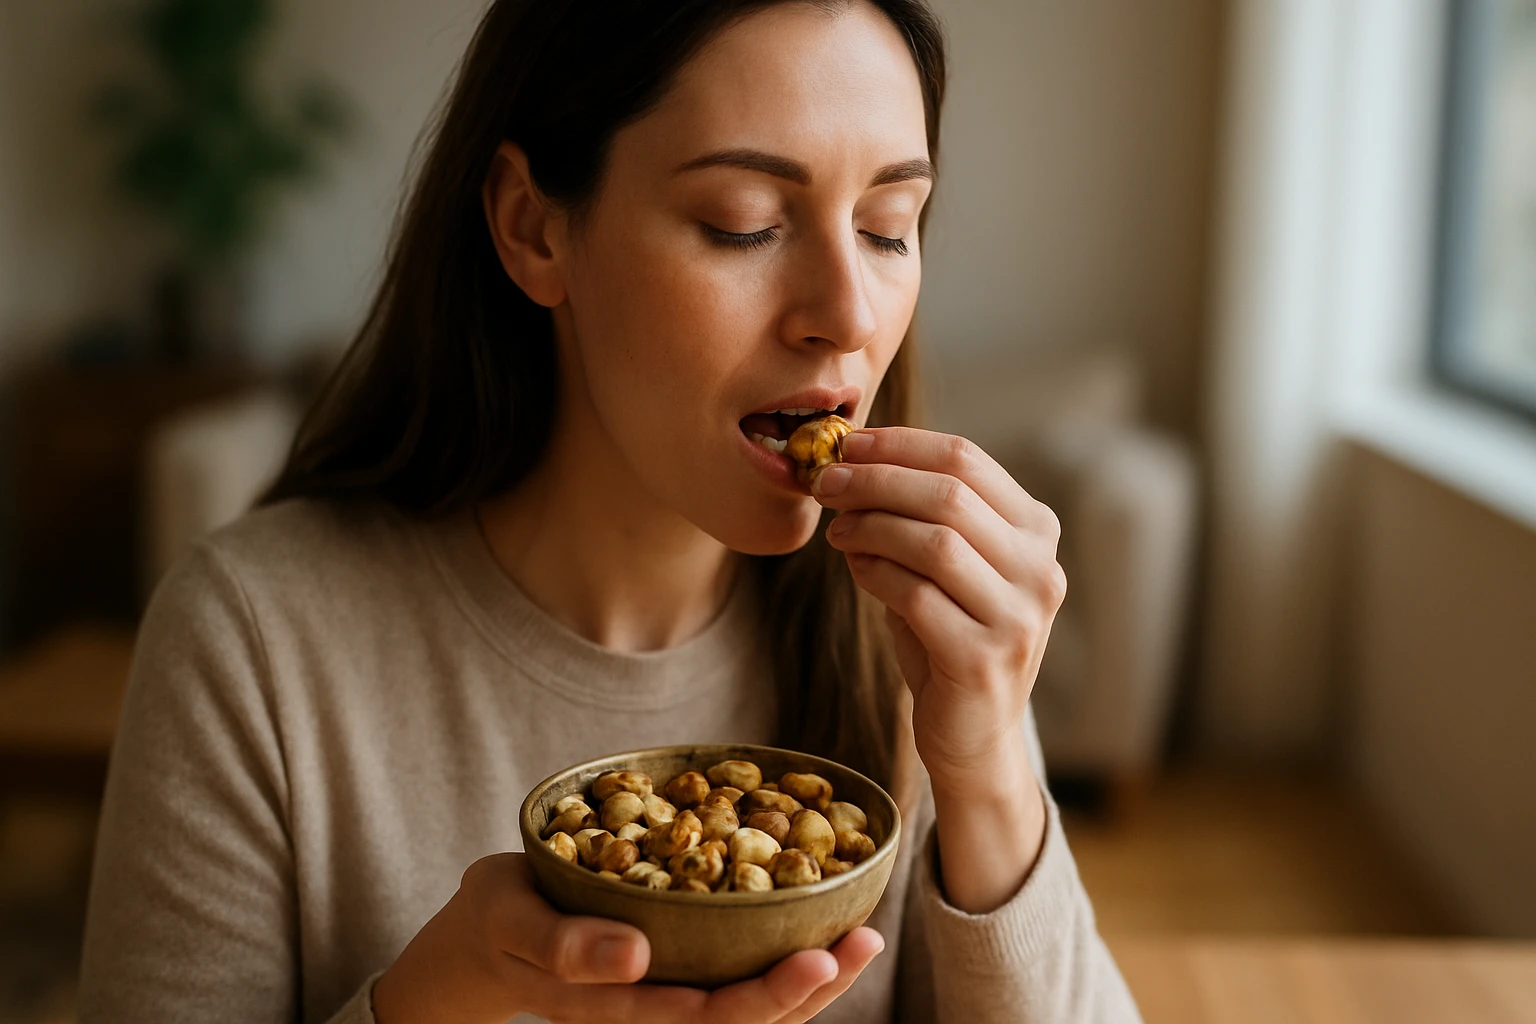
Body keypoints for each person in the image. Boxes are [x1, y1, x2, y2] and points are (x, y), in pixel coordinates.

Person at [76, 1, 1142, 1021]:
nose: (850, 316)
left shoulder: (908, 629)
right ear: (533, 226)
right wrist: (442, 999)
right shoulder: (253, 644)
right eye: (746, 224)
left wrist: (989, 767)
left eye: (888, 225)